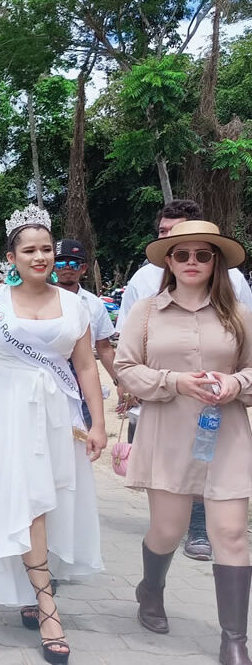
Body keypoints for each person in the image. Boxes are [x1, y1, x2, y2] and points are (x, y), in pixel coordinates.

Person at [0, 205, 107, 665]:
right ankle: (47, 609)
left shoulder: (76, 304)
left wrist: (98, 423)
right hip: (8, 411)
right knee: (26, 501)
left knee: (51, 501)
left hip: (59, 412)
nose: (40, 257)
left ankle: (30, 588)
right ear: (11, 257)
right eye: (29, 250)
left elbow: (85, 367)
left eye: (46, 249)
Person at [115, 220, 252, 665]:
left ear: (217, 262)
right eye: (182, 254)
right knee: (168, 530)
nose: (192, 262)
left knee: (230, 533)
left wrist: (235, 384)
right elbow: (126, 368)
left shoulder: (240, 315)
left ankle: (234, 639)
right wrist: (173, 381)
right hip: (168, 431)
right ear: (168, 261)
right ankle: (150, 589)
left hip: (226, 432)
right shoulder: (147, 312)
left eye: (203, 255)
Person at [53, 239, 120, 416]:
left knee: (86, 434)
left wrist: (120, 382)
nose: (67, 268)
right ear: (53, 267)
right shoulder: (39, 301)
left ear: (83, 268)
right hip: (50, 377)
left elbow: (104, 348)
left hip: (84, 378)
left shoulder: (94, 304)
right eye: (61, 263)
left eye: (73, 264)